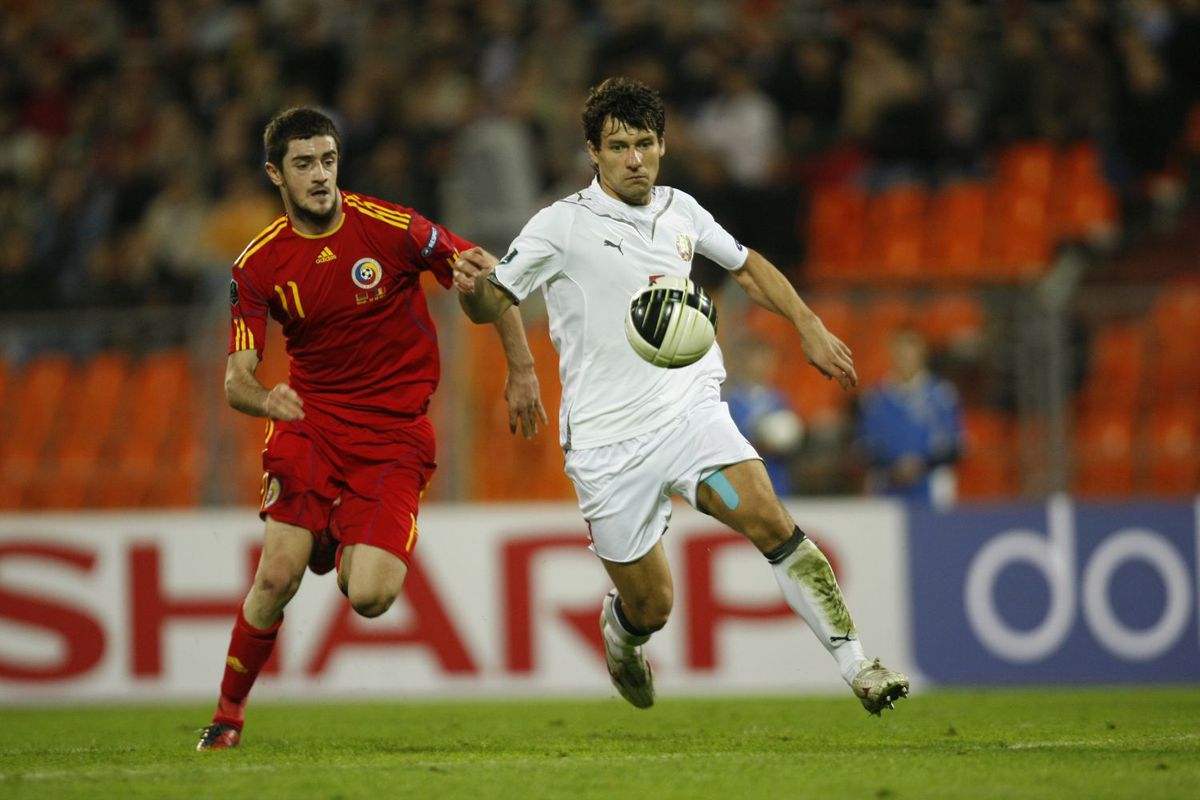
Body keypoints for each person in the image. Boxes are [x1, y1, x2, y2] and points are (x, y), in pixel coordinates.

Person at [453, 77, 908, 714]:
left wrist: (807, 322)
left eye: (644, 143)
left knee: (771, 521)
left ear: (663, 145)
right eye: (618, 147)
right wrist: (476, 294)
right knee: (652, 605)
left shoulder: (682, 211)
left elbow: (746, 266)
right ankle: (622, 634)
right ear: (593, 152)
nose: (634, 159)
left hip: (691, 417)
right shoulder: (560, 225)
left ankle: (859, 666)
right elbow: (493, 301)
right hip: (607, 442)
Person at [196, 107, 546, 751]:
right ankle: (226, 716)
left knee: (372, 597)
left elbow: (483, 271)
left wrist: (521, 367)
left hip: (393, 436)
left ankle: (333, 534)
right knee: (276, 577)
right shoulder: (257, 263)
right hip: (311, 425)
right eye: (304, 164)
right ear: (275, 174)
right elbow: (235, 380)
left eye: (328, 160)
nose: (320, 175)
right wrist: (267, 401)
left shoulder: (392, 228)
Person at [857, 327, 964, 508]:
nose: (905, 359)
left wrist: (922, 464)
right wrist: (893, 465)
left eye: (910, 353)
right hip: (885, 485)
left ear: (922, 355)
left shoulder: (942, 395)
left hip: (932, 485)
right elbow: (864, 445)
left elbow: (955, 445)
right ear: (891, 355)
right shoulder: (874, 397)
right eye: (900, 354)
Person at [723, 334, 804, 496]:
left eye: (768, 360)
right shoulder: (727, 401)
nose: (764, 365)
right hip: (742, 484)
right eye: (758, 359)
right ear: (742, 362)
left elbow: (792, 438)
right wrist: (758, 441)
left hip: (777, 482)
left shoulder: (780, 399)